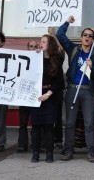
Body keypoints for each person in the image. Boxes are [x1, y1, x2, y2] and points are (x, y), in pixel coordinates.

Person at [56, 16, 94, 163]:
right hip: (72, 89)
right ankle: (68, 149)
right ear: (81, 37)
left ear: (93, 39)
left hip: (88, 91)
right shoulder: (73, 50)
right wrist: (68, 22)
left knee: (89, 123)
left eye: (90, 36)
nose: (88, 37)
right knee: (69, 123)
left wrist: (92, 66)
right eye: (85, 35)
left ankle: (91, 151)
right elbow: (59, 35)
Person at [30, 34, 65, 163]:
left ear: (50, 45)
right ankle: (35, 153)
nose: (41, 44)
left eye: (44, 42)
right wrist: (34, 55)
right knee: (36, 126)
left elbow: (59, 80)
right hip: (36, 94)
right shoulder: (35, 58)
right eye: (41, 41)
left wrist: (48, 93)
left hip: (50, 95)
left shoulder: (57, 59)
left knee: (49, 126)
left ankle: (49, 154)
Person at [17, 40, 39, 153]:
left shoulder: (41, 60)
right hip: (24, 95)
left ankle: (36, 144)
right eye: (31, 46)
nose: (33, 48)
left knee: (36, 122)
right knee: (23, 122)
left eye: (35, 46)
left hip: (36, 96)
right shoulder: (22, 60)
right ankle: (22, 145)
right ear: (28, 48)